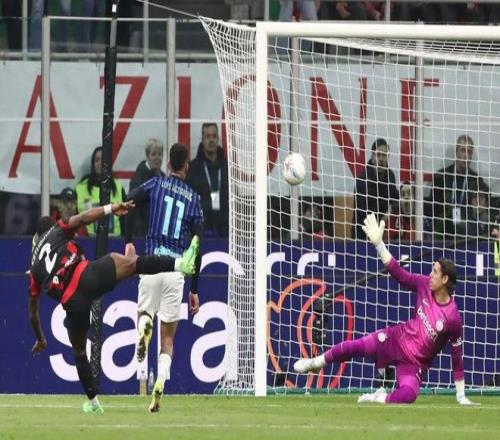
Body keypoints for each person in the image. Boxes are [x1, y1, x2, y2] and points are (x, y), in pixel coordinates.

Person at [28, 201, 200, 414]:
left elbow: (33, 312)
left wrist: (40, 338)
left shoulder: (34, 269)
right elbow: (83, 218)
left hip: (73, 304)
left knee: (80, 353)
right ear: (51, 226)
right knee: (133, 263)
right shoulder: (57, 230)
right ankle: (180, 264)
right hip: (88, 275)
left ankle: (94, 404)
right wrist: (110, 208)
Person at [294, 213, 475, 405]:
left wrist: (461, 396)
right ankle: (315, 363)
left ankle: (376, 397)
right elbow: (399, 273)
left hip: (414, 364)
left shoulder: (452, 317)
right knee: (355, 346)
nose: (430, 275)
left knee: (408, 395)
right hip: (395, 339)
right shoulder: (424, 284)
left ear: (445, 279)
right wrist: (379, 244)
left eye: (435, 272)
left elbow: (456, 356)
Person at [126, 143, 204, 413]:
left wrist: (128, 240)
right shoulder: (194, 199)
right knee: (167, 339)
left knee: (144, 314)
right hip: (176, 270)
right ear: (187, 167)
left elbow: (130, 201)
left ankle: (144, 326)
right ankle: (160, 380)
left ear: (169, 163)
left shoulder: (156, 184)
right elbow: (198, 244)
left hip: (151, 262)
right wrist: (194, 289)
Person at [428, 135, 490, 242]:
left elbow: (481, 212)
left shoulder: (476, 180)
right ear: (456, 152)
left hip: (468, 236)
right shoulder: (441, 177)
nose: (466, 155)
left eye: (469, 151)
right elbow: (432, 209)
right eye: (462, 150)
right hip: (443, 233)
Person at [351, 138, 399, 240]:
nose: (381, 159)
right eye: (378, 155)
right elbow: (363, 214)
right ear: (372, 156)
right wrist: (383, 217)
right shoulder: (362, 181)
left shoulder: (390, 176)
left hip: (384, 234)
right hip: (362, 235)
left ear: (388, 157)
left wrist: (391, 209)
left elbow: (395, 199)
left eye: (384, 155)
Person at [186, 123, 229, 236]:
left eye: (214, 136)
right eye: (208, 136)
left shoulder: (226, 167)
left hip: (225, 229)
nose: (211, 140)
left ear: (218, 139)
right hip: (201, 229)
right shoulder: (193, 167)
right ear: (202, 140)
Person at [75, 146, 126, 236]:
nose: (100, 163)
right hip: (88, 240)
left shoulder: (118, 187)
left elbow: (124, 218)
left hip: (114, 240)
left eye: (103, 160)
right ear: (93, 164)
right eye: (97, 160)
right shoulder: (81, 188)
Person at [128, 138, 166, 238]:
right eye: (153, 154)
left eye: (159, 154)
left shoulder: (163, 177)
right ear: (147, 156)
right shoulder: (140, 176)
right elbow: (132, 199)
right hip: (142, 231)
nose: (157, 158)